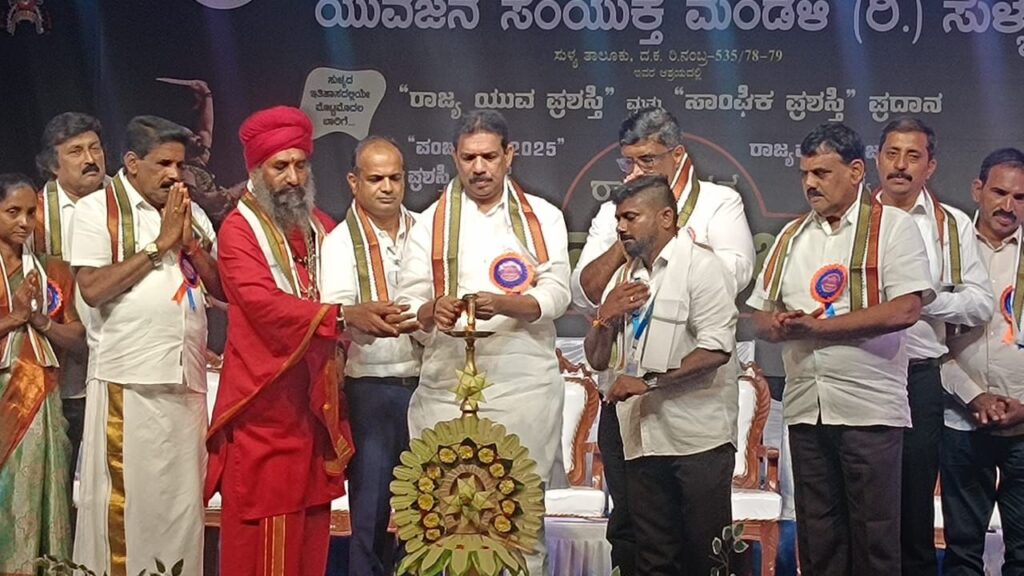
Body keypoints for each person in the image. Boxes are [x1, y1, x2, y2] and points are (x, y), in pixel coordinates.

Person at [207, 106, 413, 576]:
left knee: (310, 535)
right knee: (265, 538)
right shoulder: (238, 231)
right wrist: (342, 315)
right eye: (280, 167)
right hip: (265, 408)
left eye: (301, 164)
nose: (293, 178)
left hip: (315, 408)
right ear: (255, 171)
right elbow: (261, 304)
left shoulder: (318, 225)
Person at [571, 107, 755, 574]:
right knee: (646, 549)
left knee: (706, 554)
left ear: (677, 155)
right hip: (635, 429)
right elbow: (587, 305)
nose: (635, 170)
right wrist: (605, 315)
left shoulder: (712, 230)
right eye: (628, 162)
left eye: (647, 161)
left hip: (694, 432)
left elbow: (717, 346)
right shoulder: (624, 269)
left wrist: (649, 381)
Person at [747, 122, 934, 575]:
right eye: (805, 173)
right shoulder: (791, 236)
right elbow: (758, 315)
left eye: (822, 173)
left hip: (868, 407)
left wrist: (820, 328)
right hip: (806, 407)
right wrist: (778, 325)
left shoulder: (893, 226)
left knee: (874, 539)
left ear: (855, 172)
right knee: (818, 538)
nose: (810, 183)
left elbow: (906, 308)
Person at [397, 109, 570, 574]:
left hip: (523, 385)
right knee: (444, 514)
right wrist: (433, 309)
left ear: (509, 156)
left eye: (489, 157)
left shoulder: (543, 217)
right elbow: (408, 302)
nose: (479, 168)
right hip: (445, 386)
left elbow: (557, 293)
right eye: (469, 157)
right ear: (454, 157)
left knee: (518, 513)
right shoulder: (428, 224)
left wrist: (506, 305)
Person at [70, 115, 221, 576]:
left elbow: (223, 289)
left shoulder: (191, 212)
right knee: (128, 505)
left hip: (186, 382)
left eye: (180, 164)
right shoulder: (96, 210)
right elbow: (92, 289)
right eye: (163, 164)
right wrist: (159, 245)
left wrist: (191, 246)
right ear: (132, 163)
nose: (175, 175)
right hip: (128, 381)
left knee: (183, 508)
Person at [873, 117, 994, 575]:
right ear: (877, 160)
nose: (900, 166)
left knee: (913, 506)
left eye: (913, 156)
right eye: (892, 154)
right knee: (864, 501)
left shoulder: (951, 225)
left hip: (918, 377)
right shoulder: (856, 220)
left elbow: (980, 303)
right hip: (862, 372)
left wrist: (923, 301)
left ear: (931, 166)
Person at [321, 136, 421, 576]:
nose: (387, 187)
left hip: (428, 385)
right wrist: (386, 316)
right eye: (376, 178)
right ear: (353, 181)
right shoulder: (340, 243)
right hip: (372, 388)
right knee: (371, 510)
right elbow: (341, 313)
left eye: (395, 178)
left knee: (425, 506)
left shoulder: (426, 230)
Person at [939, 148, 1024, 575]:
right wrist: (974, 397)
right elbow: (926, 339)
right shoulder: (946, 250)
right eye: (999, 192)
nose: (1008, 206)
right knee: (963, 554)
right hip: (961, 421)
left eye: (1020, 197)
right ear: (978, 190)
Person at [0, 173, 86, 574]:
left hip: (44, 397)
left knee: (42, 483)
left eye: (31, 213)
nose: (24, 222)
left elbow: (79, 338)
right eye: (12, 212)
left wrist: (40, 320)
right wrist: (13, 318)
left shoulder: (53, 270)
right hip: (6, 393)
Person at [33, 111, 109, 477]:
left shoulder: (127, 203)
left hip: (118, 362)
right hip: (56, 373)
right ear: (52, 164)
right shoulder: (31, 216)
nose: (90, 159)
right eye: (76, 151)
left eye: (95, 148)